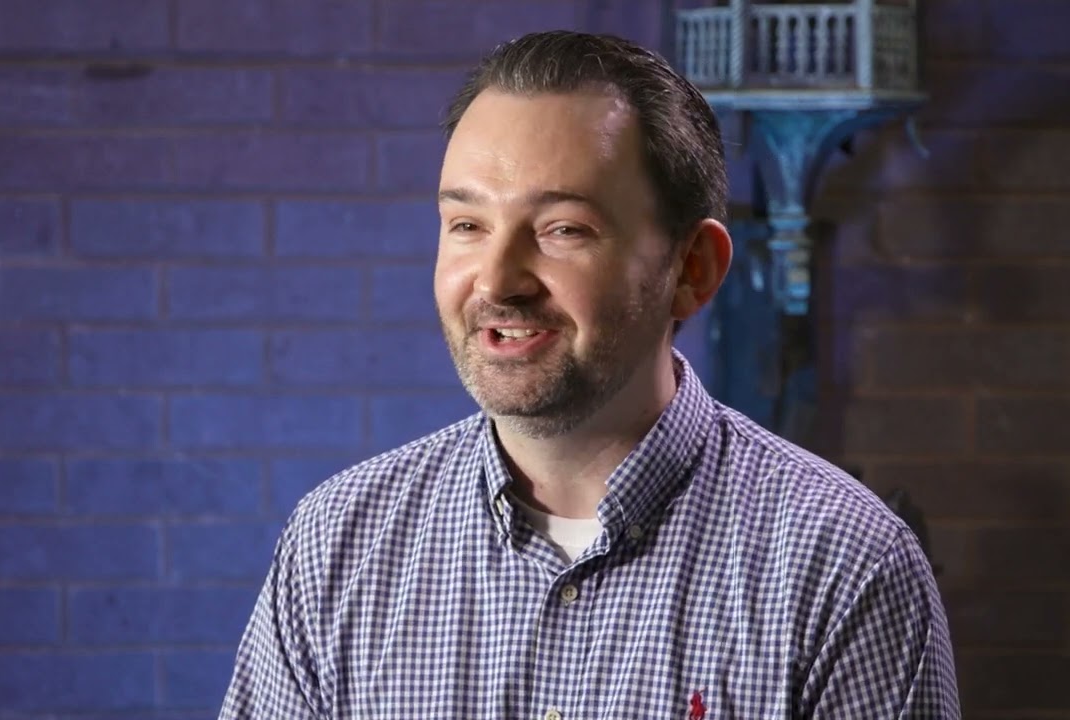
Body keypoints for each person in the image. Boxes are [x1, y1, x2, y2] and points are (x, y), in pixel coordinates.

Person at [219, 31, 960, 719]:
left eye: (562, 230)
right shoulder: (336, 544)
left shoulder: (847, 566)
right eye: (468, 225)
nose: (497, 281)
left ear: (692, 270)